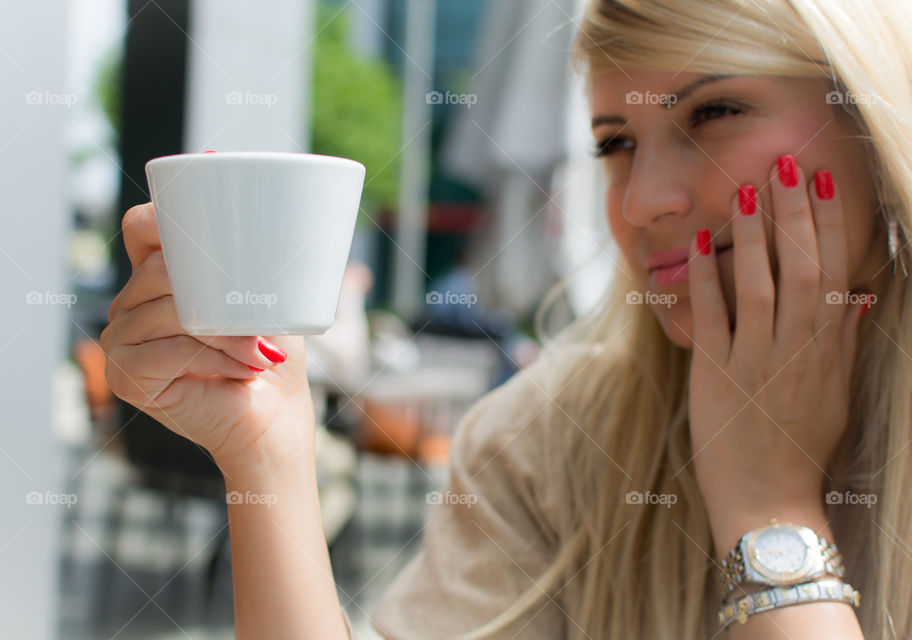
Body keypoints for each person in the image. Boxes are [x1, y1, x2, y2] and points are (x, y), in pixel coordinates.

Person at [99, 0, 912, 637]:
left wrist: (768, 514)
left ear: (873, 115)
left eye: (716, 112)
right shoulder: (550, 440)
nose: (643, 201)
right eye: (615, 143)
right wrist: (267, 459)